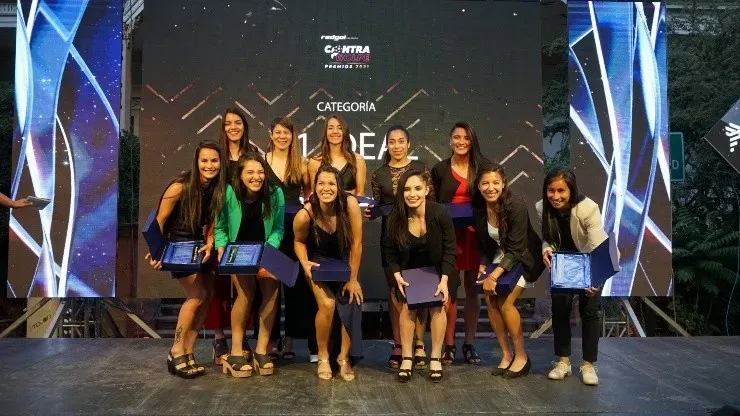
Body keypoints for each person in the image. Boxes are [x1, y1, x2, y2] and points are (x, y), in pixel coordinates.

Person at [145, 140, 225, 379]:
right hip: (176, 246)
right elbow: (158, 221)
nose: (209, 165)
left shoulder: (217, 188)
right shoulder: (180, 186)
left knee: (208, 295)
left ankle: (188, 350)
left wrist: (210, 241)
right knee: (197, 294)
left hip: (197, 246)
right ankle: (176, 350)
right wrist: (157, 252)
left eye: (214, 160)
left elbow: (212, 222)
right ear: (196, 161)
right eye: (204, 160)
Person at [382, 169, 458, 383]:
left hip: (439, 269)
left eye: (417, 188)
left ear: (426, 190)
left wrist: (444, 280)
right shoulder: (395, 217)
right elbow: (389, 251)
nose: (412, 194)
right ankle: (407, 358)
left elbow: (450, 249)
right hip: (407, 271)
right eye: (407, 189)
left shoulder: (439, 213)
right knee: (407, 306)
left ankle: (435, 357)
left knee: (437, 305)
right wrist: (396, 274)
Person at [215, 153, 285, 377]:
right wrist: (221, 247)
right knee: (245, 295)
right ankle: (236, 351)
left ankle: (261, 350)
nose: (257, 177)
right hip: (239, 250)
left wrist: (269, 250)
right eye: (250, 172)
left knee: (272, 292)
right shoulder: (228, 192)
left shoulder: (275, 193)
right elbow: (220, 227)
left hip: (266, 249)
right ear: (240, 175)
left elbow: (278, 229)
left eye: (261, 172)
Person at [536, 168, 607, 386]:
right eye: (551, 190)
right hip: (563, 263)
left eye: (561, 191)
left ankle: (588, 365)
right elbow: (547, 237)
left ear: (571, 190)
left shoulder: (587, 209)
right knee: (559, 310)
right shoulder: (542, 208)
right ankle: (563, 362)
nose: (555, 196)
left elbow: (598, 246)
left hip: (590, 260)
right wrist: (546, 249)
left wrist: (596, 279)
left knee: (590, 312)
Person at [369, 125, 433, 369]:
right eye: (392, 142)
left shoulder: (420, 170)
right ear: (387, 145)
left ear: (409, 144)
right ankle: (398, 344)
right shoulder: (379, 174)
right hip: (391, 238)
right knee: (396, 291)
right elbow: (377, 205)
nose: (396, 146)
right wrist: (370, 212)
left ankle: (419, 344)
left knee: (420, 291)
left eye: (401, 141)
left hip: (419, 236)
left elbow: (431, 202)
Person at [293, 165, 364, 381]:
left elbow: (357, 242)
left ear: (339, 187)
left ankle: (343, 358)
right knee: (327, 304)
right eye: (321, 183)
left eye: (332, 183)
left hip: (344, 261)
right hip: (318, 262)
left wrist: (353, 279)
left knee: (351, 300)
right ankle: (323, 356)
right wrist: (305, 264)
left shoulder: (350, 204)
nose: (327, 188)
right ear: (314, 187)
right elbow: (298, 242)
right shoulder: (305, 214)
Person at [473, 164, 544, 378]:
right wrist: (483, 264)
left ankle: (521, 356)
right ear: (478, 186)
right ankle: (506, 355)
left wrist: (493, 276)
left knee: (505, 302)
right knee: (489, 298)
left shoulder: (516, 207)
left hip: (525, 258)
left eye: (495, 183)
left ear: (504, 184)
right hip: (503, 254)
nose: (490, 188)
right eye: (485, 183)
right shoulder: (478, 209)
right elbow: (484, 243)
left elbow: (517, 248)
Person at [430, 121, 488, 365]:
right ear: (450, 140)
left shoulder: (484, 168)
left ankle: (469, 343)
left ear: (472, 140)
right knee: (449, 290)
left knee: (473, 289)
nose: (461, 142)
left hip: (476, 236)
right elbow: (432, 204)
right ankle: (449, 345)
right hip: (449, 237)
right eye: (456, 137)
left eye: (465, 137)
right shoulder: (440, 169)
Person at [207, 107, 258, 364]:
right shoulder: (217, 154)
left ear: (244, 126)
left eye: (238, 122)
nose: (233, 127)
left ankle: (242, 335)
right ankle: (219, 338)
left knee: (245, 286)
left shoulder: (253, 153)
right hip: (221, 222)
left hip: (246, 227)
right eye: (228, 123)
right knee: (220, 284)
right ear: (223, 127)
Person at [264, 117, 318, 361]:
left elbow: (309, 195)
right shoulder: (262, 162)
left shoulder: (302, 164)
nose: (282, 136)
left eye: (286, 132)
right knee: (270, 285)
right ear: (271, 134)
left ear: (292, 136)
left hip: (296, 231)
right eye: (278, 132)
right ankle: (271, 339)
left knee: (295, 286)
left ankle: (291, 338)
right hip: (270, 231)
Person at [307, 114, 366, 195]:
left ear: (345, 132)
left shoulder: (358, 160)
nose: (335, 131)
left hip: (350, 207)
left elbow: (360, 193)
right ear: (325, 132)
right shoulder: (315, 162)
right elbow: (315, 193)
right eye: (330, 128)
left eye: (340, 128)